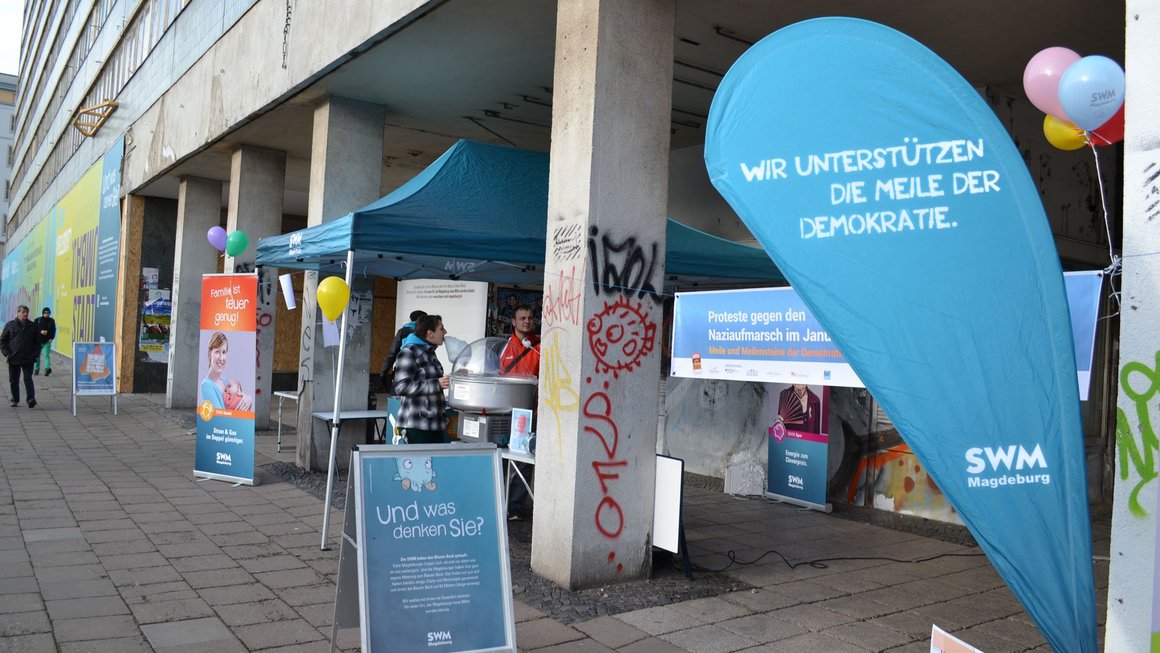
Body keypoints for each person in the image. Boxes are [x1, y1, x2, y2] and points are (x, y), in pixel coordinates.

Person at [500, 304, 540, 519]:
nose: (527, 321)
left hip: (529, 414)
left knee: (524, 460)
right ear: (513, 322)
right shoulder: (503, 347)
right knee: (501, 459)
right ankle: (498, 500)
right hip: (505, 412)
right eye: (523, 318)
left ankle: (514, 507)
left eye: (530, 318)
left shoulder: (540, 347)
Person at [392, 314, 450, 444]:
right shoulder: (409, 352)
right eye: (441, 329)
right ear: (430, 333)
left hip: (434, 425)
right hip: (416, 426)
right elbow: (401, 387)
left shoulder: (430, 352)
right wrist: (436, 384)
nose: (445, 332)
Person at [200, 331, 253, 411]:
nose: (221, 358)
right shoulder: (206, 385)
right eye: (217, 352)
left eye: (224, 352)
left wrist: (247, 398)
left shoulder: (227, 383)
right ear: (209, 354)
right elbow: (219, 419)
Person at [0, 306, 40, 408]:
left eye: (27, 312)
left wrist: (35, 354)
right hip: (14, 358)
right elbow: (3, 341)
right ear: (18, 313)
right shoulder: (10, 325)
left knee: (28, 379)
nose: (25, 314)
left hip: (28, 358)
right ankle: (15, 399)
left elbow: (37, 343)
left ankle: (31, 399)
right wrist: (7, 353)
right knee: (14, 380)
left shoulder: (33, 326)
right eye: (23, 312)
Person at [380, 310, 427, 393]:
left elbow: (392, 353)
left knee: (396, 400)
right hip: (422, 372)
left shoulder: (403, 331)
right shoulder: (427, 333)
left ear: (411, 319)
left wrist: (384, 372)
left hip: (403, 370)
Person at [33, 307, 55, 376]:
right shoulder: (37, 320)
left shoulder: (51, 321)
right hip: (38, 341)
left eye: (48, 313)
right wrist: (40, 331)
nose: (46, 314)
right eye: (45, 313)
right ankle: (36, 369)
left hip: (47, 341)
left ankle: (47, 369)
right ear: (43, 313)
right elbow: (34, 329)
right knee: (37, 356)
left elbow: (53, 330)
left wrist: (52, 338)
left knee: (46, 355)